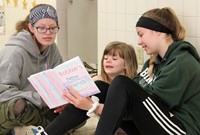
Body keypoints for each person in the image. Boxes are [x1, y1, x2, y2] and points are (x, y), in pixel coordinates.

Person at [93, 7, 200, 135]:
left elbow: (154, 104)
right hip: (158, 121)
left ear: (157, 31)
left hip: (179, 129)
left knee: (120, 83)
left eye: (141, 34)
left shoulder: (182, 62)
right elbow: (135, 92)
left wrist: (99, 108)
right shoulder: (154, 62)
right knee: (100, 88)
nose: (139, 42)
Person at [45, 41, 138, 135]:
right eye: (105, 58)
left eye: (114, 58)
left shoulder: (134, 84)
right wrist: (72, 103)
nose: (108, 60)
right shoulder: (97, 80)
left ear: (127, 64)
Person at [0, 4, 63, 135]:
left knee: (78, 110)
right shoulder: (14, 52)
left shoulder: (52, 48)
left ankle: (28, 129)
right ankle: (51, 129)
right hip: (11, 106)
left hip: (38, 106)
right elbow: (3, 93)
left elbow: (60, 79)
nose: (48, 33)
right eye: (41, 28)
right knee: (19, 106)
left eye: (52, 28)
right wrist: (38, 98)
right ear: (31, 28)